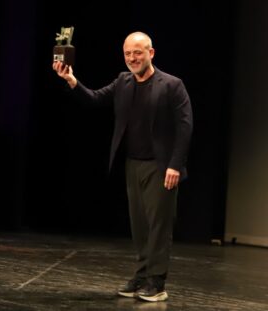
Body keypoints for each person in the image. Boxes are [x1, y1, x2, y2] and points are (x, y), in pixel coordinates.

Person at [52, 31, 192, 302]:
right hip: (133, 165)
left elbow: (185, 127)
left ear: (151, 53)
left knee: (158, 227)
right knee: (139, 226)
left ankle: (156, 282)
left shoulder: (172, 85)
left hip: (161, 168)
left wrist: (176, 165)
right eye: (128, 53)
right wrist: (71, 80)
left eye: (138, 52)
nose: (132, 58)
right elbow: (93, 98)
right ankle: (141, 276)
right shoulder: (123, 82)